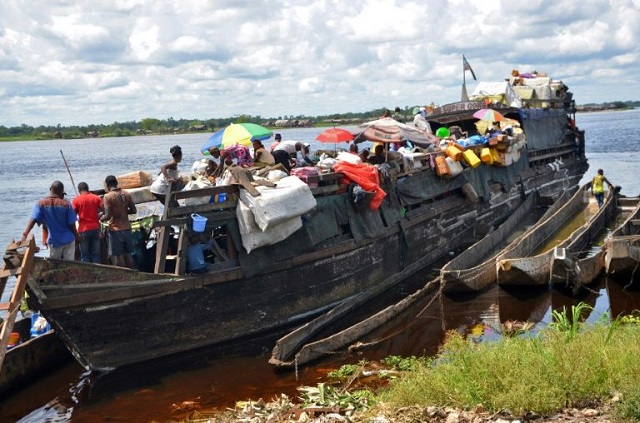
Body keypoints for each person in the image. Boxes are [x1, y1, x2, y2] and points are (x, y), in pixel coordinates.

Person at [20, 181, 78, 260]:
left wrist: (24, 235)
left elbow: (33, 219)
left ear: (50, 189)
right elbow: (72, 224)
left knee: (54, 265)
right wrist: (77, 236)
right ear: (61, 192)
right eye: (63, 194)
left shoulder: (41, 204)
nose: (63, 196)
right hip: (69, 240)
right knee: (70, 264)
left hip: (54, 241)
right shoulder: (66, 204)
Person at [101, 175, 137, 269]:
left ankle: (124, 278)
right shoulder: (126, 194)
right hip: (127, 228)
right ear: (116, 183)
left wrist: (101, 218)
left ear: (108, 185)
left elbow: (108, 216)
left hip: (115, 230)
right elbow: (134, 210)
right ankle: (133, 275)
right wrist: (124, 212)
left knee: (119, 256)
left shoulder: (108, 196)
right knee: (128, 255)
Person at [72, 182, 104, 263]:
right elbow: (104, 210)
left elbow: (72, 216)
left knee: (85, 255)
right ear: (88, 188)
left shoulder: (76, 199)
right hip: (96, 228)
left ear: (79, 190)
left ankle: (87, 274)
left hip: (83, 230)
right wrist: (99, 216)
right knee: (96, 254)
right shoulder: (96, 198)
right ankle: (97, 272)